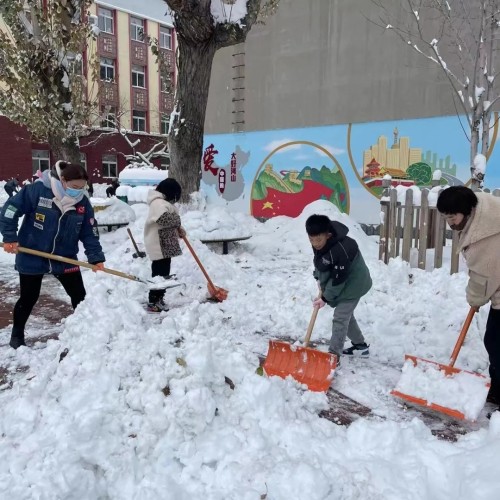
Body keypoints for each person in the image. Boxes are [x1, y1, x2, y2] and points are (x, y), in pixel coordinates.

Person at [0, 161, 105, 349]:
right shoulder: (37, 191)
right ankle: (17, 335)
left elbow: (89, 232)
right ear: (63, 180)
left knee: (79, 296)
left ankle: (85, 332)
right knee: (29, 297)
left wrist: (96, 257)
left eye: (82, 187)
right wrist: (9, 236)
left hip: (64, 257)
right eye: (74, 187)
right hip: (32, 254)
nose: (78, 191)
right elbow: (10, 210)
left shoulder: (82, 202)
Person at [437, 186, 500, 409]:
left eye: (452, 217)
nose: (450, 223)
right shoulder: (484, 210)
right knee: (494, 341)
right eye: (445, 217)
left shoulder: (485, 238)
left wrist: (474, 298)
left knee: (497, 344)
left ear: (466, 210)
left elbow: (484, 277)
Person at [306, 214, 372, 362]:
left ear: (328, 235)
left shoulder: (341, 249)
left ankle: (333, 356)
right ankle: (361, 347)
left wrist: (325, 298)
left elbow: (338, 279)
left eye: (318, 240)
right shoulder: (321, 242)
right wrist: (318, 276)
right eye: (311, 240)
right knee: (347, 316)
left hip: (354, 284)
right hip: (344, 282)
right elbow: (321, 261)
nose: (315, 244)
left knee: (340, 317)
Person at [143, 178, 185, 312]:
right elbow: (164, 219)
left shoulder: (163, 203)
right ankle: (153, 301)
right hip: (158, 245)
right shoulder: (158, 203)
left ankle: (160, 298)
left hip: (165, 245)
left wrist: (179, 230)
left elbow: (169, 223)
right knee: (159, 275)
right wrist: (177, 220)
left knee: (164, 274)